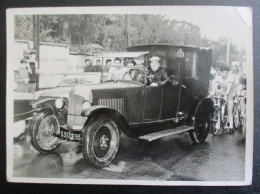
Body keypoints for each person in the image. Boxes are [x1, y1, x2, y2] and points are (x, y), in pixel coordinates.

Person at [210, 65, 236, 131]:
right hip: (223, 91)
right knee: (217, 104)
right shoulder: (218, 78)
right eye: (223, 72)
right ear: (221, 72)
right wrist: (212, 93)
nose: (224, 74)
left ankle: (231, 125)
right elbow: (215, 86)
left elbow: (229, 88)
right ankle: (218, 122)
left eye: (225, 72)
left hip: (230, 93)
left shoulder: (231, 77)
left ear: (227, 72)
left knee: (229, 110)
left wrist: (226, 95)